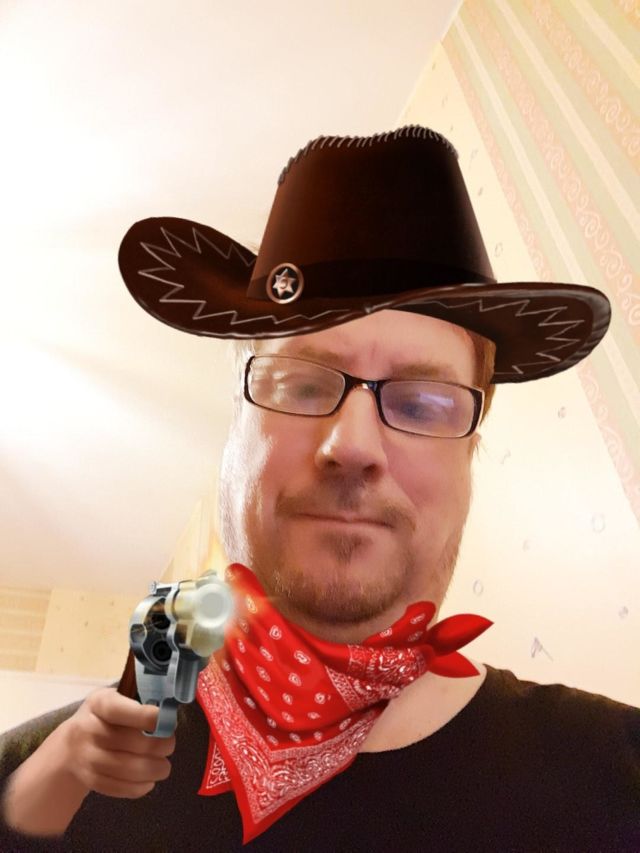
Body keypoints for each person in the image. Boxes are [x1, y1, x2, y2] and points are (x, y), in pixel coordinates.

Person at [1, 125, 637, 852]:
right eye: (302, 385)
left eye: (421, 401)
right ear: (236, 424)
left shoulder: (620, 782)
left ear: (471, 450)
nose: (352, 446)